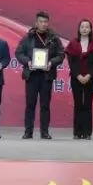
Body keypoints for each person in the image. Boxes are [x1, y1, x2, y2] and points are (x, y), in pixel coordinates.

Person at [15, 11, 65, 140]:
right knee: (30, 105)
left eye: (45, 22)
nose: (43, 24)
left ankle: (44, 132)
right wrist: (28, 62)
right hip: (31, 75)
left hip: (46, 76)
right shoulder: (28, 38)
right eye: (41, 22)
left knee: (45, 105)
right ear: (36, 23)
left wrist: (51, 63)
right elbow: (19, 53)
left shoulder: (54, 39)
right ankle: (28, 131)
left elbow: (61, 55)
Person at [65, 19, 93, 140]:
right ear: (79, 29)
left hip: (90, 78)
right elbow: (71, 62)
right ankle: (77, 132)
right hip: (76, 78)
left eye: (87, 27)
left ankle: (87, 132)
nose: (84, 29)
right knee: (78, 104)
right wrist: (78, 75)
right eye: (82, 27)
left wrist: (88, 75)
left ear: (90, 29)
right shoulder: (73, 44)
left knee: (87, 104)